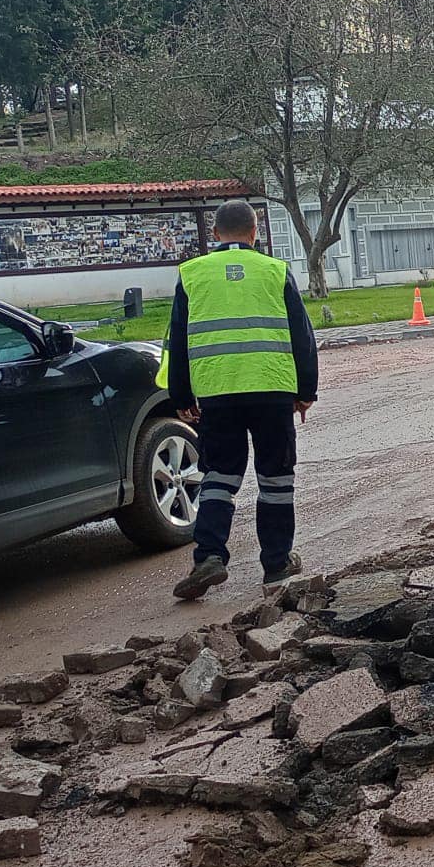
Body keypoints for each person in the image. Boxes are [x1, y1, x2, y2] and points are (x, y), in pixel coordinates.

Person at [165, 200, 318, 599]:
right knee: (276, 477)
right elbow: (303, 336)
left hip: (217, 392)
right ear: (255, 233)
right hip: (273, 390)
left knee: (218, 475)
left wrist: (181, 395)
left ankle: (209, 556)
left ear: (214, 235)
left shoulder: (192, 275)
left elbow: (177, 341)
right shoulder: (275, 271)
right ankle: (276, 563)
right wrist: (306, 393)